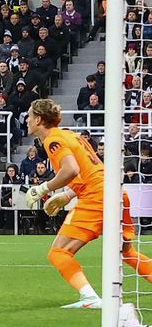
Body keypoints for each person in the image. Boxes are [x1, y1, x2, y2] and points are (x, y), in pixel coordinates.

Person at [25, 98, 152, 308]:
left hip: (96, 197)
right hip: (116, 192)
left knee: (58, 252)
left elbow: (71, 170)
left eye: (29, 115)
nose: (26, 120)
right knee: (126, 251)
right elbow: (89, 170)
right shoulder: (69, 134)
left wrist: (42, 188)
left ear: (38, 119)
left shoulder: (52, 140)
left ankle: (90, 298)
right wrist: (66, 195)